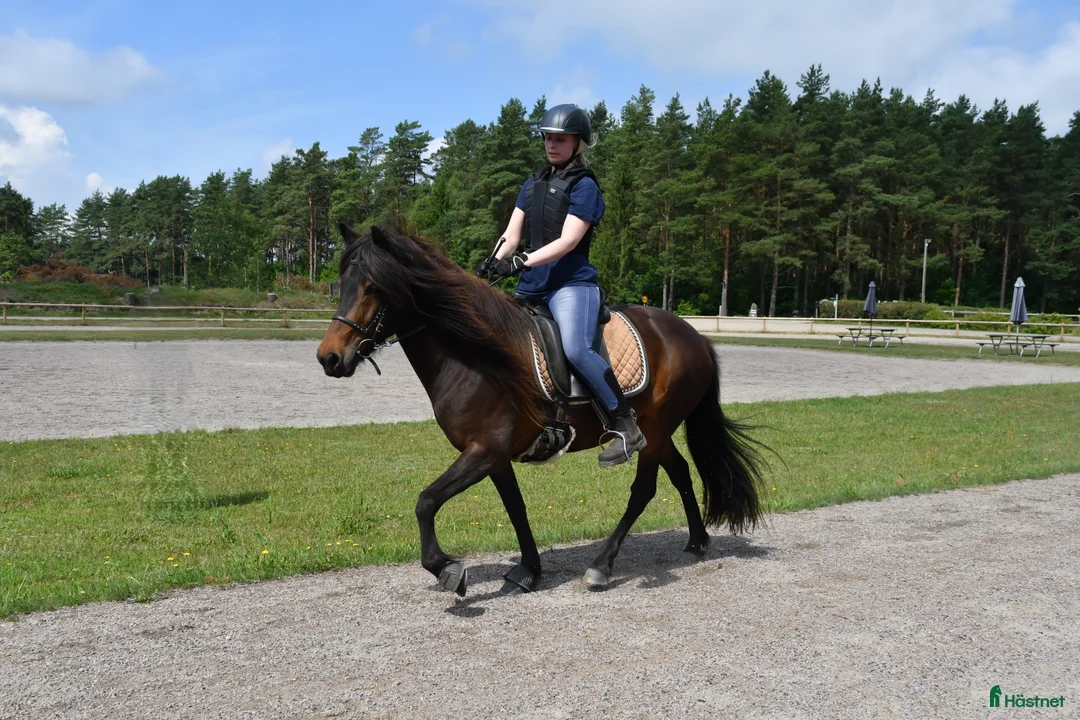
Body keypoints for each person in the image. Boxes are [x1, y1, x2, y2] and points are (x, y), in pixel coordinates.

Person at [476, 103, 646, 466]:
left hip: (571, 285)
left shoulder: (585, 187)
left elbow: (568, 242)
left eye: (561, 139)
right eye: (548, 137)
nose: (552, 144)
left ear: (578, 142)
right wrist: (495, 260)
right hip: (533, 284)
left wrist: (521, 261)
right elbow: (511, 233)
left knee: (576, 349)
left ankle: (625, 423)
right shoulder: (532, 183)